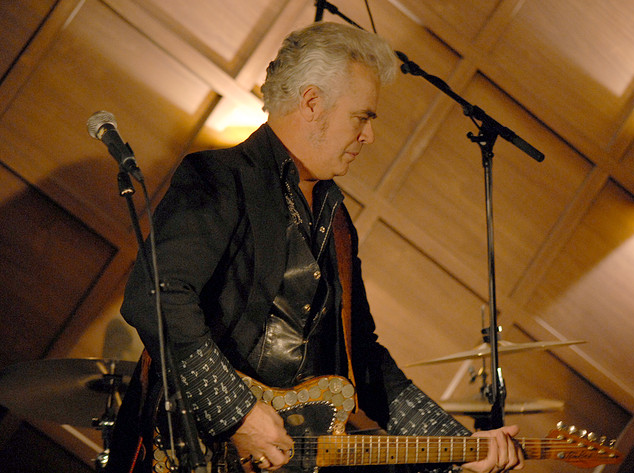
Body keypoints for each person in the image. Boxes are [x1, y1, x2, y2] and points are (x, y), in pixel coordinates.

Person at [106, 21, 524, 473]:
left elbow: (361, 356)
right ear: (311, 102)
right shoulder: (220, 177)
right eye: (362, 117)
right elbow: (157, 297)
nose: (369, 136)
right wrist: (236, 416)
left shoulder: (338, 221)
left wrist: (458, 448)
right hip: (186, 451)